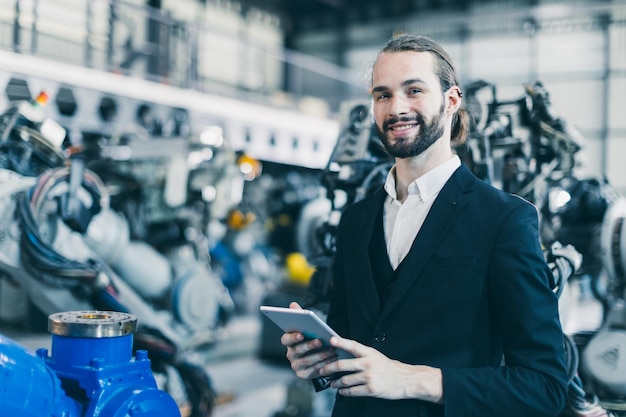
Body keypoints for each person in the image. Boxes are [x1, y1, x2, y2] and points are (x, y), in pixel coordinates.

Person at [280, 33, 568, 417]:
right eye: (383, 94)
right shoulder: (356, 220)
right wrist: (317, 360)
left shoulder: (503, 219)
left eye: (413, 90)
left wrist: (409, 379)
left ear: (451, 101)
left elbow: (545, 387)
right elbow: (350, 341)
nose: (396, 107)